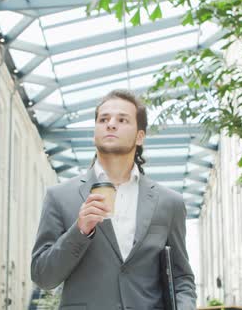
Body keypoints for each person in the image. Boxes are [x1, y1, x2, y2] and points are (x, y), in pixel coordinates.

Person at [31, 89, 197, 309]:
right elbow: (43, 277)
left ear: (140, 136)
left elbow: (181, 278)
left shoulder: (169, 203)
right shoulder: (60, 197)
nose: (111, 124)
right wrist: (79, 231)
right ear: (94, 132)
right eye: (103, 119)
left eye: (122, 119)